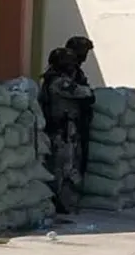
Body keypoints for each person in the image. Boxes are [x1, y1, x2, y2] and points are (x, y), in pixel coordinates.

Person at [40, 47, 95, 213]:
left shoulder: (55, 79)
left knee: (65, 167)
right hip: (61, 130)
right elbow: (83, 93)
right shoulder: (59, 82)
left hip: (64, 129)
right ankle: (59, 203)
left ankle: (62, 202)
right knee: (62, 168)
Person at [65, 36, 95, 175]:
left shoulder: (76, 71)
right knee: (67, 167)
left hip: (76, 123)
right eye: (83, 53)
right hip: (65, 125)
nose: (84, 57)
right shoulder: (66, 72)